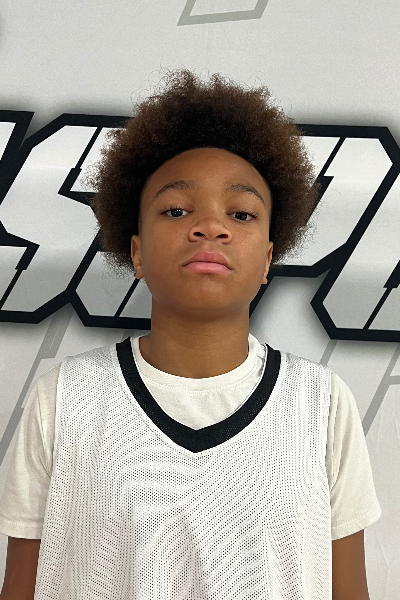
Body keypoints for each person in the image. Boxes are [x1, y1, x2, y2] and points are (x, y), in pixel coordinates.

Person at [0, 69, 381, 599]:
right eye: (177, 210)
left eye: (241, 214)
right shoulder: (64, 399)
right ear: (136, 251)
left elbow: (350, 589)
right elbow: (20, 586)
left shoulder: (322, 403)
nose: (210, 227)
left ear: (268, 259)